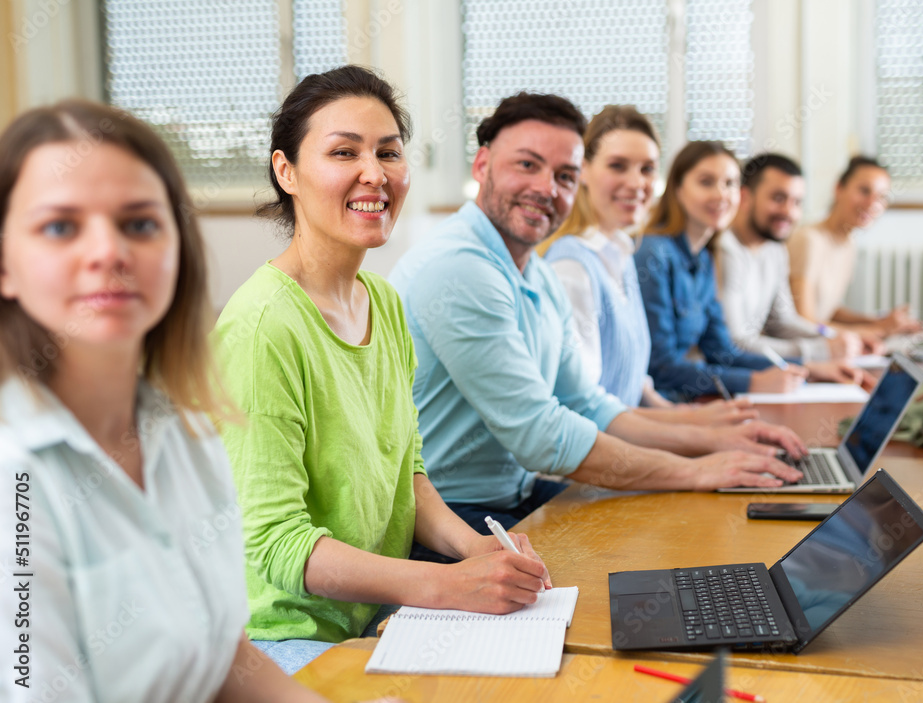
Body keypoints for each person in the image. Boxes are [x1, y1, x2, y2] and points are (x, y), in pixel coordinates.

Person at [0, 101, 344, 702]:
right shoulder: (15, 477)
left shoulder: (186, 428)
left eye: (139, 223)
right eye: (60, 226)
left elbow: (223, 662)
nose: (108, 253)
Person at [214, 66, 550, 673]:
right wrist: (446, 585)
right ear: (285, 171)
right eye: (344, 151)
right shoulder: (261, 327)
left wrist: (474, 547)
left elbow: (407, 472)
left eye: (388, 152)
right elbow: (277, 543)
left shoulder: (385, 301)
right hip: (281, 640)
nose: (375, 173)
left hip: (373, 618)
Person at [389, 93, 805, 534]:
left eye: (564, 175)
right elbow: (541, 435)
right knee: (660, 541)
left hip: (513, 494)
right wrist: (696, 468)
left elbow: (587, 402)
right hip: (447, 514)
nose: (547, 188)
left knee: (677, 525)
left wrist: (713, 443)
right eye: (527, 165)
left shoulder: (537, 274)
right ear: (482, 166)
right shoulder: (461, 268)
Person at [539, 105, 757, 425]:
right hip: (597, 460)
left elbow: (633, 385)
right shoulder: (572, 267)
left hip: (626, 442)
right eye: (617, 166)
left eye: (647, 169)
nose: (636, 182)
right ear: (582, 169)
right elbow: (582, 414)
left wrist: (686, 417)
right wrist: (692, 429)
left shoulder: (623, 255)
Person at [635, 142, 867, 401]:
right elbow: (661, 367)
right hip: (659, 404)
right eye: (706, 182)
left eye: (729, 183)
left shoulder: (702, 258)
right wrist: (754, 381)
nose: (721, 194)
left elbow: (723, 350)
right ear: (677, 188)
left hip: (688, 395)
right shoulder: (654, 255)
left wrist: (806, 369)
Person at [715, 153, 865, 363]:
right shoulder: (725, 248)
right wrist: (819, 350)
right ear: (745, 196)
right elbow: (736, 342)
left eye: (796, 202)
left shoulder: (775, 249)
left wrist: (833, 338)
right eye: (778, 198)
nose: (789, 212)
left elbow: (783, 322)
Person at [787, 156, 921, 343]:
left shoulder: (848, 244)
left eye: (882, 197)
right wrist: (872, 331)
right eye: (864, 191)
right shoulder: (808, 240)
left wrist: (879, 322)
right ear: (839, 188)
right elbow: (805, 322)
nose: (872, 203)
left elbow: (828, 310)